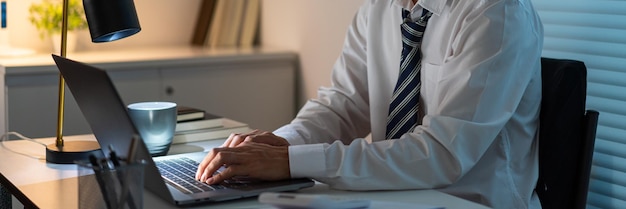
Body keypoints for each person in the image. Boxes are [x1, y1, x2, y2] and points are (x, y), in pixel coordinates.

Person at [196, 0, 544, 208]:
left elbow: (441, 155)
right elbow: (344, 104)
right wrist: (281, 144)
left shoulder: (495, 13)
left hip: (469, 202)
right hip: (396, 196)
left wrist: (290, 163)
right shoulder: (379, 8)